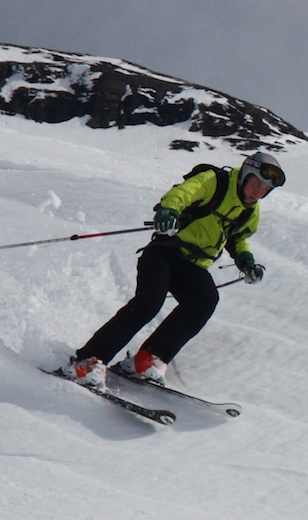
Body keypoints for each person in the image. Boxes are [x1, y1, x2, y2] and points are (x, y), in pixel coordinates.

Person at [62, 151, 285, 389]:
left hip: (193, 266)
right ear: (244, 175)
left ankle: (147, 359)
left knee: (205, 300)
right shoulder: (216, 181)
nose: (257, 192)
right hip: (165, 252)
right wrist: (169, 211)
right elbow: (181, 194)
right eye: (256, 184)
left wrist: (247, 261)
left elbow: (238, 238)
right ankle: (88, 360)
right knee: (149, 303)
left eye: (264, 190)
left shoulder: (250, 212)